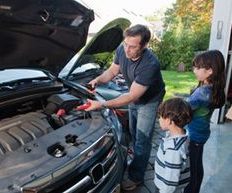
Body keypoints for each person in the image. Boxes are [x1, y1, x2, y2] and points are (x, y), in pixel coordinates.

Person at [85, 24, 166, 191]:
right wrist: (97, 80)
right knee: (133, 132)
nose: (127, 50)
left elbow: (130, 97)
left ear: (144, 46)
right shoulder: (123, 50)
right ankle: (136, 160)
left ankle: (137, 176)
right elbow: (112, 72)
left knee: (142, 139)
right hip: (135, 96)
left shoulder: (150, 64)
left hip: (149, 100)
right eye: (125, 44)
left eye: (132, 46)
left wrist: (101, 104)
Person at [183, 50, 226, 193]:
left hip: (195, 134)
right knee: (196, 163)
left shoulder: (202, 93)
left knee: (192, 168)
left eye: (197, 67)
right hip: (202, 133)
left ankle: (191, 191)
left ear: (210, 71)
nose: (194, 70)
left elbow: (184, 108)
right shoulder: (213, 89)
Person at [154, 98, 192, 193]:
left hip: (165, 188)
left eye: (161, 117)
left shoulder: (173, 150)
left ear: (169, 121)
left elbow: (170, 181)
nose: (159, 119)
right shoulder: (182, 135)